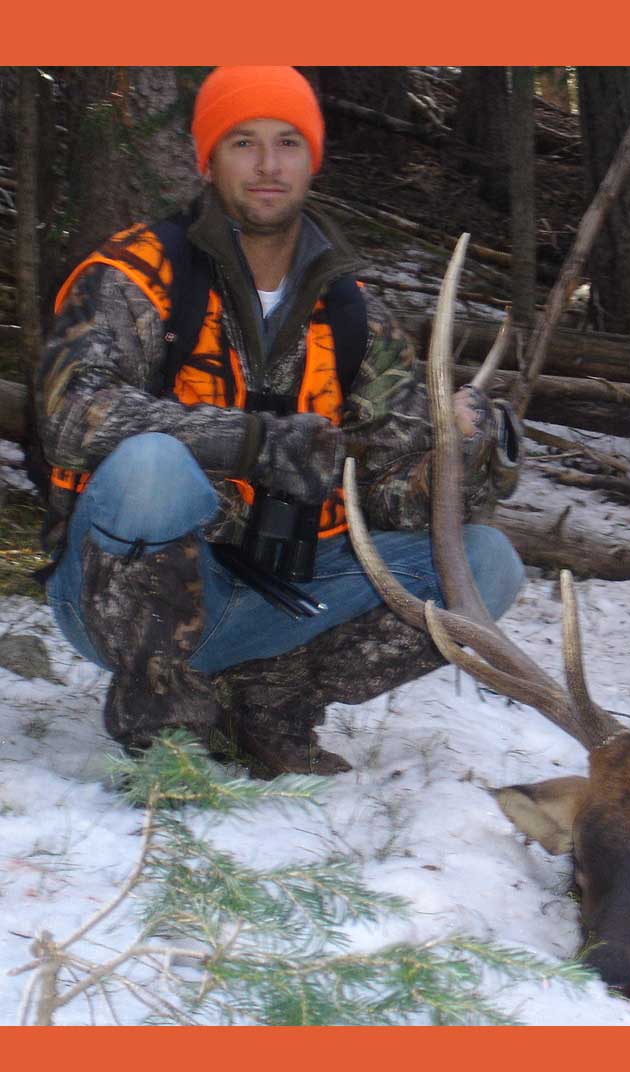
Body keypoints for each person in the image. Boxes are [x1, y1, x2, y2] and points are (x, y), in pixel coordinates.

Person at [35, 66, 524, 777]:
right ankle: (164, 727)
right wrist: (253, 444)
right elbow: (71, 417)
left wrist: (470, 450)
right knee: (151, 468)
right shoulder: (135, 275)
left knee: (487, 565)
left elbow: (388, 492)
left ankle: (269, 707)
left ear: (312, 158)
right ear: (209, 158)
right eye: (244, 142)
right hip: (116, 599)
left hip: (280, 592)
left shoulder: (354, 312)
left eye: (288, 142)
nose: (269, 165)